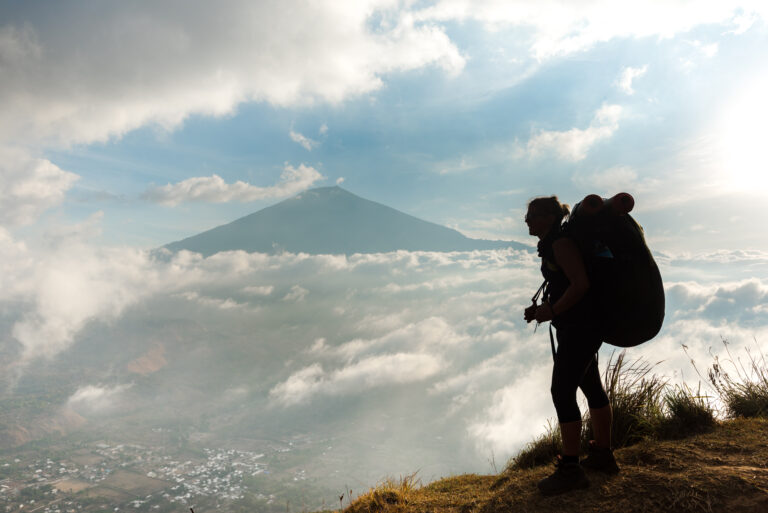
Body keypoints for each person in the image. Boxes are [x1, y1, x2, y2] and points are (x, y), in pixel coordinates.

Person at [523, 196, 619, 496]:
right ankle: (602, 454)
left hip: (579, 328)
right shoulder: (557, 241)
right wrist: (545, 309)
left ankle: (570, 469)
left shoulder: (560, 244)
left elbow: (580, 284)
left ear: (550, 217)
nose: (527, 220)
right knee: (592, 388)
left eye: (533, 215)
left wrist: (551, 311)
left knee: (562, 392)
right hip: (584, 326)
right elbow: (568, 285)